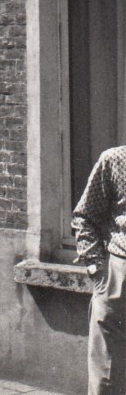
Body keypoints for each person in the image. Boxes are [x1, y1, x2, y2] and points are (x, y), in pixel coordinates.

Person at [72, 144, 126, 395]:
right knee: (107, 374)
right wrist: (97, 269)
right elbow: (85, 217)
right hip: (119, 276)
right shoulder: (114, 160)